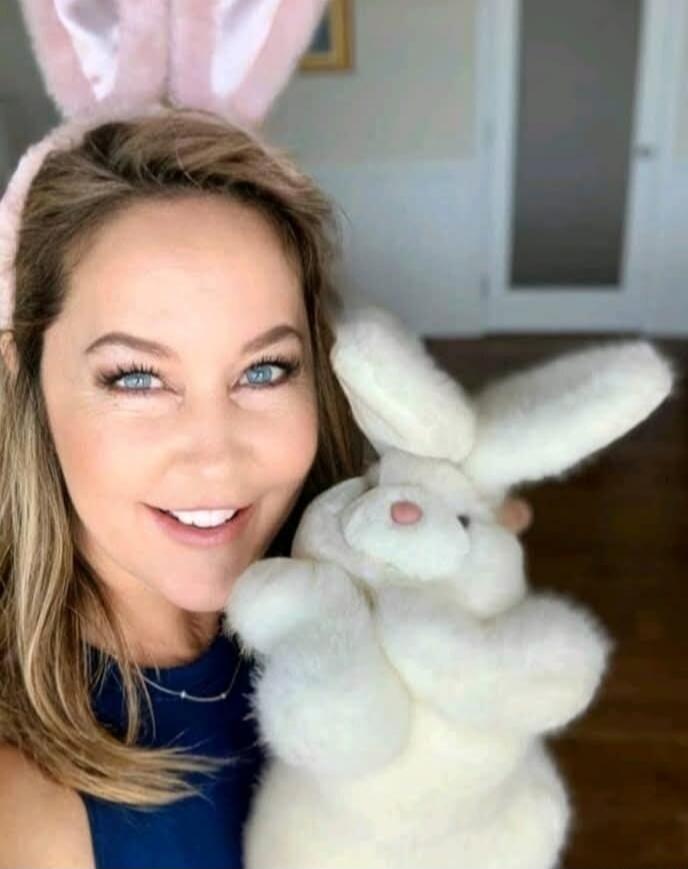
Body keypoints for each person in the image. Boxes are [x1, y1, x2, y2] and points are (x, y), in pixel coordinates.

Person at [0, 108, 533, 868]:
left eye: (263, 369)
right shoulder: (22, 803)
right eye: (138, 378)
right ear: (25, 372)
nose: (215, 459)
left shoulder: (369, 600)